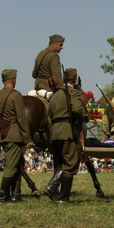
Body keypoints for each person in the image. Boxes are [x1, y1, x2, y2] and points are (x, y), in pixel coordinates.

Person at [0, 69, 32, 203]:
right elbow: (21, 118)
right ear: (13, 80)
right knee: (11, 167)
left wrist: (0, 117)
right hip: (14, 134)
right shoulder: (15, 95)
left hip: (2, 134)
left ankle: (12, 196)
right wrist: (27, 138)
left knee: (13, 164)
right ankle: (3, 197)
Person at [45, 68, 85, 203]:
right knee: (71, 163)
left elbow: (49, 116)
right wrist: (84, 117)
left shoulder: (55, 95)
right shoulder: (73, 92)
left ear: (63, 79)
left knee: (64, 162)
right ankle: (63, 197)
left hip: (55, 132)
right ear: (75, 80)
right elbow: (77, 109)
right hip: (67, 131)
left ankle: (53, 186)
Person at [31, 34, 65, 99]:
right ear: (54, 44)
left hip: (37, 86)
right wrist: (62, 89)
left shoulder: (40, 53)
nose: (62, 47)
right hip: (48, 87)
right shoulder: (54, 56)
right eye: (61, 45)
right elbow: (56, 76)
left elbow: (34, 74)